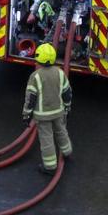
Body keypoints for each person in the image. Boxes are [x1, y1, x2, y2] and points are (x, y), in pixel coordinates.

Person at [22, 42, 73, 175]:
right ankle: (67, 153)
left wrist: (26, 115)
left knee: (47, 139)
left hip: (43, 115)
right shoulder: (60, 73)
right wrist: (67, 107)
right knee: (61, 131)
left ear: (38, 60)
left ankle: (50, 167)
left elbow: (30, 99)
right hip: (59, 112)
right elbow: (67, 92)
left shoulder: (35, 76)